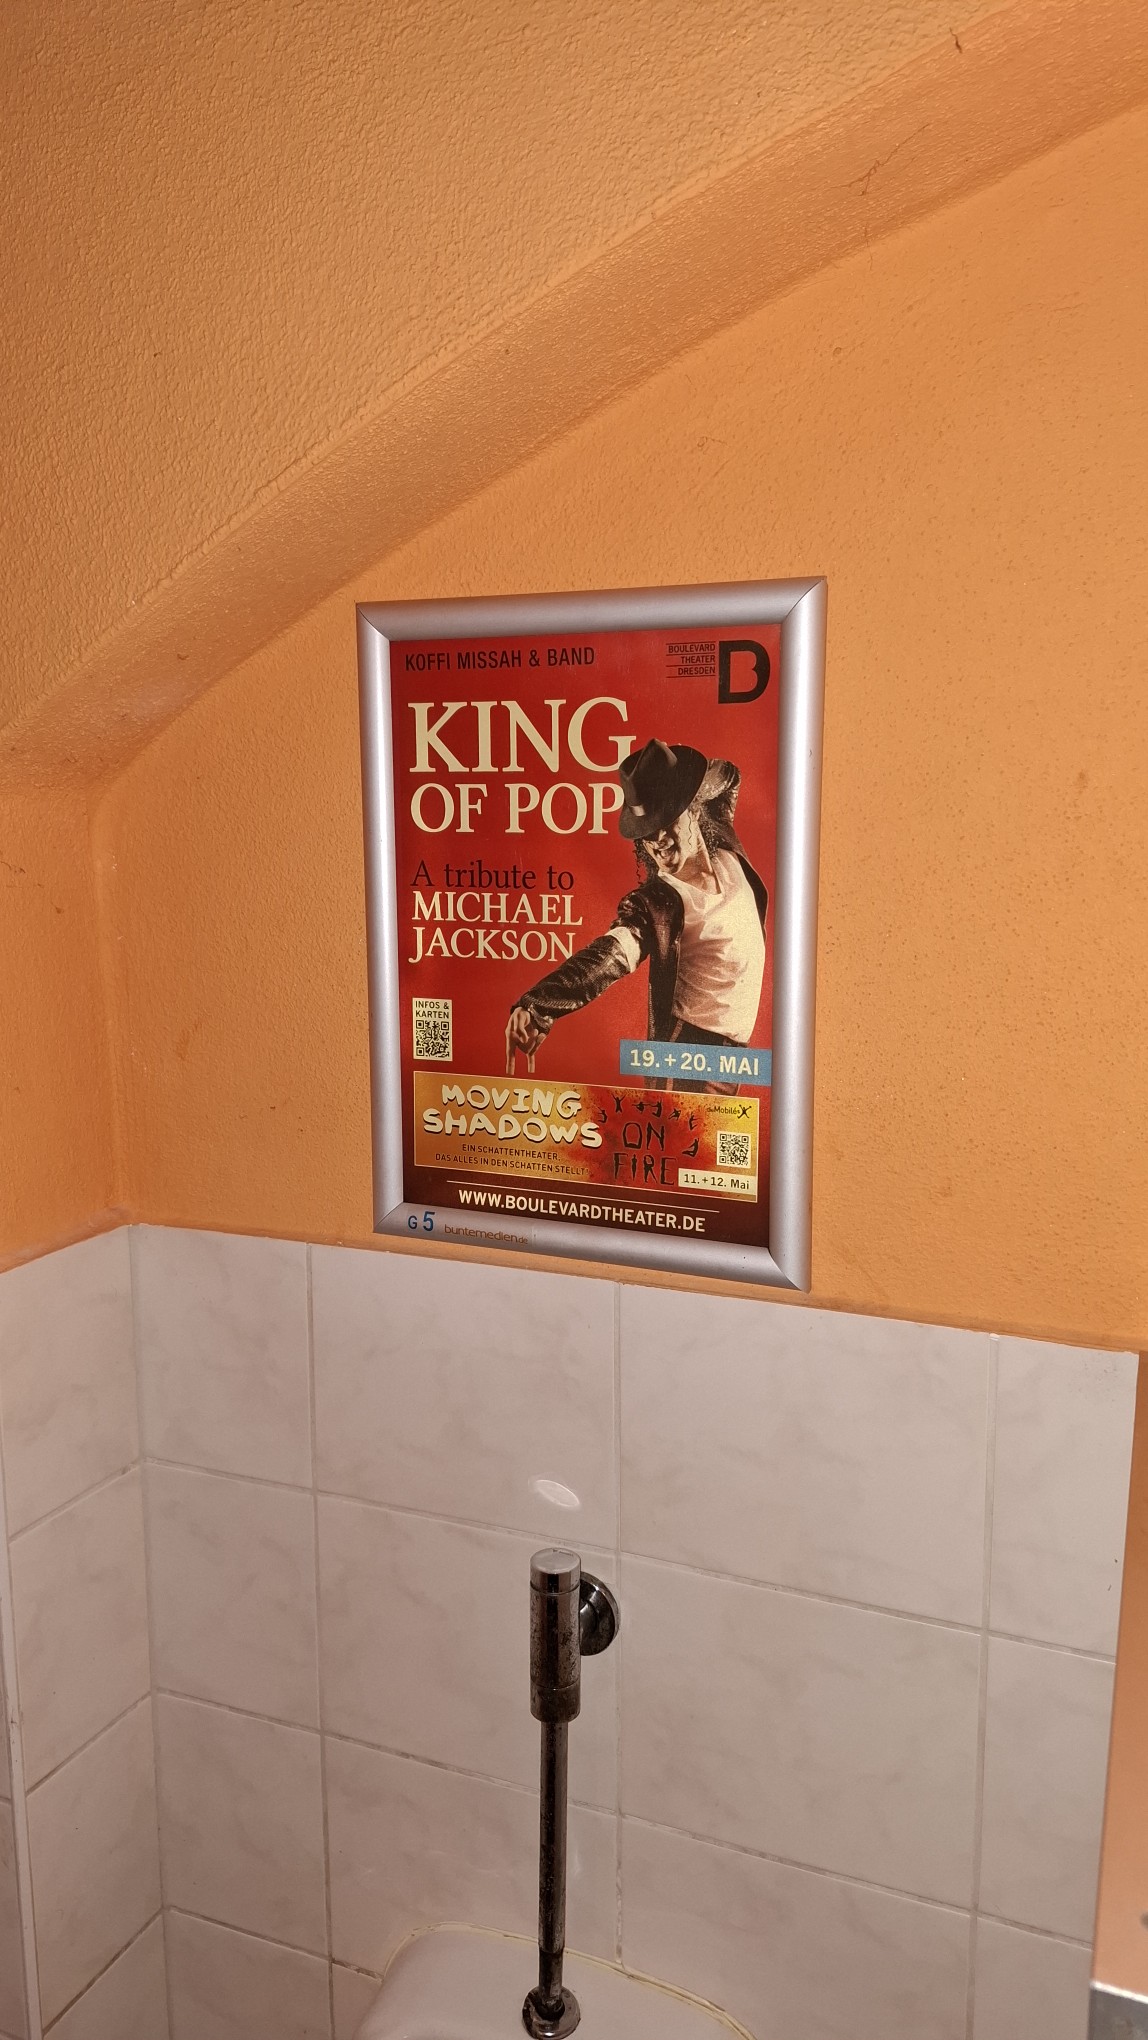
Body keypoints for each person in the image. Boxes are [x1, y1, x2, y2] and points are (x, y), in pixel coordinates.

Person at [505, 738, 767, 1093]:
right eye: (647, 833)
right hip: (689, 1061)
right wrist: (538, 1006)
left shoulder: (722, 838)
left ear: (693, 811)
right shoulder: (659, 902)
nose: (658, 839)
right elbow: (607, 957)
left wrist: (690, 788)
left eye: (667, 821)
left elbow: (728, 775)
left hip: (732, 1060)